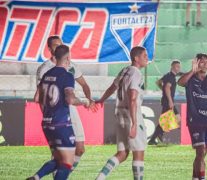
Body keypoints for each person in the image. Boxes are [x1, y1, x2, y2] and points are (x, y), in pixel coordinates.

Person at [27, 45, 90, 180]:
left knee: (58, 158)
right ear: (68, 58)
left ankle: (36, 177)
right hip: (61, 123)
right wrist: (84, 102)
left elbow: (37, 98)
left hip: (46, 123)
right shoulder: (67, 75)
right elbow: (70, 98)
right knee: (67, 162)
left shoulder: (46, 74)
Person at [95, 46, 148, 180]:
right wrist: (135, 123)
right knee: (139, 152)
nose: (147, 58)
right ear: (136, 58)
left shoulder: (125, 70)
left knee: (122, 153)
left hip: (119, 113)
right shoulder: (136, 73)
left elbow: (112, 87)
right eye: (144, 56)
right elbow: (133, 97)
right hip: (131, 114)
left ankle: (100, 178)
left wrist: (101, 100)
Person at [177, 53, 207, 180]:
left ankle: (195, 177)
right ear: (196, 63)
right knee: (200, 151)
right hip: (195, 121)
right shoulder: (191, 78)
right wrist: (191, 71)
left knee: (203, 153)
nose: (205, 64)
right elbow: (180, 82)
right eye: (202, 62)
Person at [148, 60, 181, 145]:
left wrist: (163, 90)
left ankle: (157, 136)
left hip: (166, 100)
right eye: (177, 66)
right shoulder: (171, 77)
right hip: (168, 101)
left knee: (169, 119)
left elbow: (158, 82)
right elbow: (167, 87)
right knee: (174, 118)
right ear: (172, 66)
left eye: (179, 67)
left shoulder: (168, 75)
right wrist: (170, 100)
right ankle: (156, 136)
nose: (178, 68)